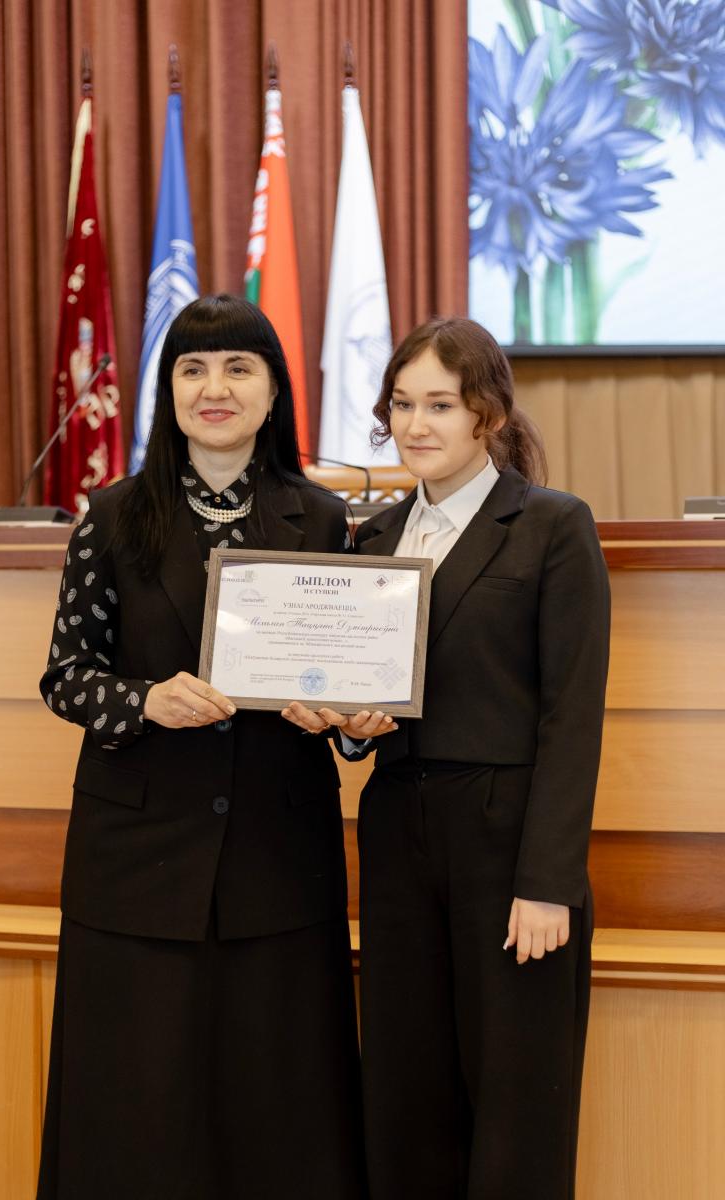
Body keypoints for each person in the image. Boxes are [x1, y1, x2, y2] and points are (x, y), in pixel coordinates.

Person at [36, 295, 371, 1200]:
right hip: (137, 864)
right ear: (169, 390)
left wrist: (349, 725)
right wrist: (145, 700)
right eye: (192, 368)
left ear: (274, 392)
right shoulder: (112, 517)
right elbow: (66, 676)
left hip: (278, 859)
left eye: (237, 368)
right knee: (137, 1106)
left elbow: (352, 684)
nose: (213, 388)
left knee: (278, 1104)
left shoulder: (325, 521)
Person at [283, 316, 610, 1199]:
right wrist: (349, 728)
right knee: (405, 1085)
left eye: (439, 404)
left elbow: (572, 716)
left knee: (517, 1096)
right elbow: (364, 715)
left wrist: (548, 882)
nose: (416, 424)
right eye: (402, 404)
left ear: (487, 414)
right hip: (398, 834)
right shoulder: (374, 539)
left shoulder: (551, 525)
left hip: (510, 845)